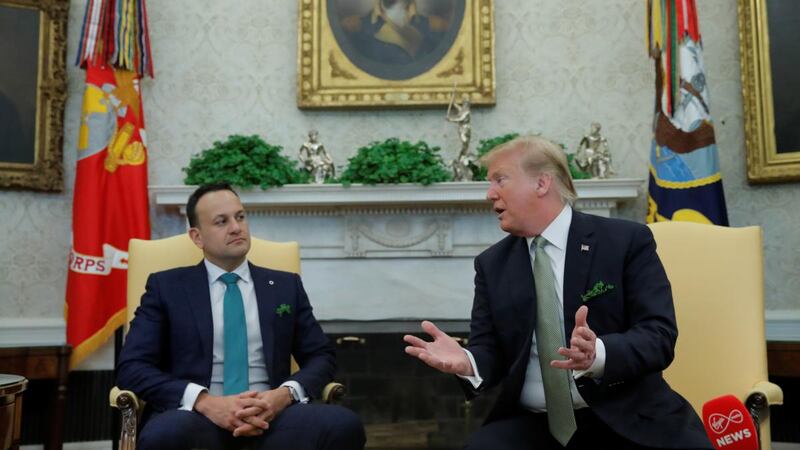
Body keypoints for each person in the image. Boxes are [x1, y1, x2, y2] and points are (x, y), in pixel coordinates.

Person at [404, 136, 712, 449]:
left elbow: (658, 336)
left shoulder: (624, 242)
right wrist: (467, 362)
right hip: (533, 423)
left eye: (500, 180)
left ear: (541, 183)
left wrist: (598, 353)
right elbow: (490, 350)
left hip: (624, 415)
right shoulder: (492, 264)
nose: (489, 193)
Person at [116, 183, 365, 450]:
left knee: (343, 424)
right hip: (197, 417)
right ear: (197, 237)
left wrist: (282, 396)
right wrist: (205, 402)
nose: (236, 227)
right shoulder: (167, 287)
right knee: (165, 435)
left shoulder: (284, 285)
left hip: (274, 416)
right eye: (221, 221)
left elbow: (321, 356)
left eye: (240, 216)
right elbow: (132, 367)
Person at [446, 92, 476, 181]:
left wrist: (450, 119)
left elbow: (460, 119)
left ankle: (462, 161)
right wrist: (452, 98)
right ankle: (460, 162)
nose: (464, 103)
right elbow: (456, 106)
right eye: (464, 102)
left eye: (466, 102)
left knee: (464, 146)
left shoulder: (466, 111)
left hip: (466, 130)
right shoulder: (463, 109)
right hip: (461, 129)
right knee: (462, 145)